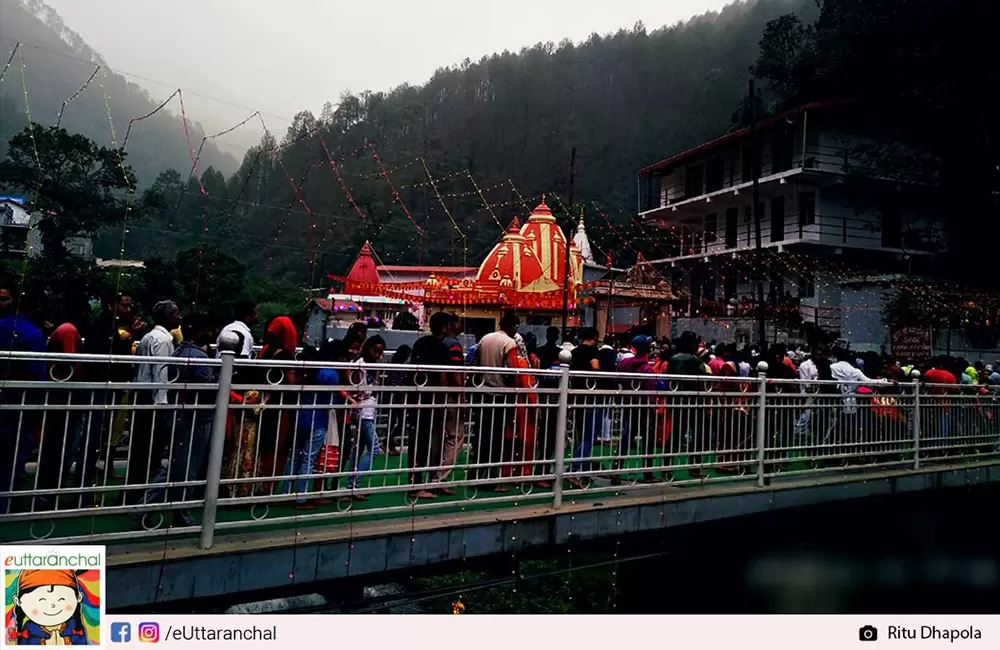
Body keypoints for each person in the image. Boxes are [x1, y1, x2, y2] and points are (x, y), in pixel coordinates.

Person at [140, 312, 217, 526]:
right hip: (196, 419)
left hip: (178, 415)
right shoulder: (200, 358)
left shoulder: (177, 353)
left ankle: (145, 507)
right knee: (186, 470)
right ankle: (178, 513)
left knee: (176, 466)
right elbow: (209, 390)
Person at [126, 299, 180, 504]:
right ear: (168, 317)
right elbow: (162, 373)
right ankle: (144, 497)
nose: (179, 318)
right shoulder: (164, 341)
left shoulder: (149, 336)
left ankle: (134, 492)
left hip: (142, 395)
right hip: (155, 400)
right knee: (152, 451)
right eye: (176, 314)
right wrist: (163, 405)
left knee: (140, 449)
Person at [0, 288, 46, 515]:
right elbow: (38, 375)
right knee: (11, 462)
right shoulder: (33, 334)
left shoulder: (4, 327)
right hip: (19, 406)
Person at [34, 322, 85, 510]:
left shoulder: (65, 330)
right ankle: (48, 493)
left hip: (61, 399)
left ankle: (47, 492)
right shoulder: (69, 330)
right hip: (64, 400)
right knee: (59, 446)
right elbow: (73, 362)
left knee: (57, 446)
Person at [284, 344, 340, 510]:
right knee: (308, 459)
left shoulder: (302, 373)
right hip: (317, 419)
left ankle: (285, 493)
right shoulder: (329, 373)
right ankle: (301, 497)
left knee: (294, 456)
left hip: (300, 417)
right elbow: (332, 400)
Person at [407, 312, 453, 499]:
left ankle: (415, 480)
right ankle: (422, 484)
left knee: (417, 441)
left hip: (417, 397)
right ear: (444, 327)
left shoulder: (420, 343)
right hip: (432, 400)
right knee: (428, 442)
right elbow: (443, 376)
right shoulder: (441, 348)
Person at [472, 312, 520, 492]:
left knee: (482, 435)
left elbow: (475, 363)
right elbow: (511, 370)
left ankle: (477, 473)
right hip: (500, 394)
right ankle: (491, 479)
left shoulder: (485, 339)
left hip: (483, 392)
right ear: (512, 326)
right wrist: (514, 390)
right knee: (496, 438)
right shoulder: (510, 343)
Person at [343, 335, 386, 498]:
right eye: (376, 351)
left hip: (367, 406)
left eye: (380, 352)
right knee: (373, 448)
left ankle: (352, 484)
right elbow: (355, 385)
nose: (378, 355)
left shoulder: (369, 364)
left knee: (359, 447)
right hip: (364, 408)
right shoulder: (360, 364)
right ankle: (355, 483)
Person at [615, 335, 657, 482]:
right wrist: (652, 410)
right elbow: (651, 392)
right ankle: (647, 473)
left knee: (625, 437)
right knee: (647, 440)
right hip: (644, 406)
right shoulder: (647, 368)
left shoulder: (624, 363)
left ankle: (616, 469)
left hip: (629, 403)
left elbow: (618, 379)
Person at [10, 569, 90, 645]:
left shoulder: (75, 625)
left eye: (61, 599)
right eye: (41, 601)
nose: (52, 606)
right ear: (18, 601)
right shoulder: (29, 629)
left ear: (78, 598)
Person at [434, 314, 467, 493]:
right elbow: (455, 371)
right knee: (455, 436)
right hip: (451, 396)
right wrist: (461, 394)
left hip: (440, 395)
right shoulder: (453, 345)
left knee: (443, 434)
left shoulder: (441, 343)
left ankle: (434, 474)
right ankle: (441, 478)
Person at [567, 326, 603, 488]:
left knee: (580, 435)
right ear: (594, 338)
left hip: (577, 396)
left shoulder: (573, 352)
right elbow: (595, 368)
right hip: (591, 396)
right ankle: (575, 470)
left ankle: (583, 468)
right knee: (589, 436)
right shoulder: (594, 352)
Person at [384, 343, 411, 456]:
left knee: (394, 422)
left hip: (392, 396)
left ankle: (388, 443)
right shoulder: (401, 367)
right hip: (397, 397)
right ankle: (387, 442)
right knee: (400, 422)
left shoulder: (393, 365)